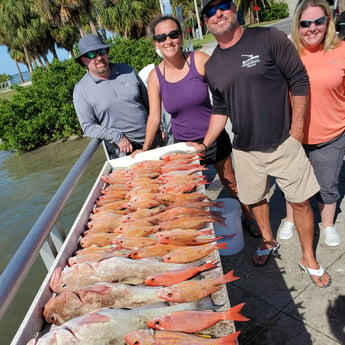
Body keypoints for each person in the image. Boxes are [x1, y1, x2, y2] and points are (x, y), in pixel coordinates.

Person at [189, 0, 332, 287]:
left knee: (301, 202)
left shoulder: (267, 37)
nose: (218, 14)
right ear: (205, 22)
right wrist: (204, 144)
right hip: (244, 149)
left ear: (233, 10)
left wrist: (297, 129)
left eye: (223, 6)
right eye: (210, 12)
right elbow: (220, 108)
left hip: (284, 142)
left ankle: (308, 257)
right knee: (254, 200)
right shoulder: (213, 64)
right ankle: (267, 241)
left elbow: (298, 79)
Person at [134, 15, 261, 237]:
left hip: (213, 136)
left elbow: (226, 93)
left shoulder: (199, 60)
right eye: (161, 37)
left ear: (181, 36)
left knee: (231, 182)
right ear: (155, 43)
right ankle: (198, 234)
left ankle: (249, 217)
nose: (168, 41)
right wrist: (145, 150)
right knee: (188, 193)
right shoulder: (156, 76)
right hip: (185, 148)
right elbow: (154, 117)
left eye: (173, 34)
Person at [280, 0, 345, 246]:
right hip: (293, 135)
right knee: (292, 183)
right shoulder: (289, 53)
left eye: (318, 21)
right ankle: (290, 219)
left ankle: (327, 224)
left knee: (327, 185)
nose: (312, 28)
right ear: (297, 25)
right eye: (305, 23)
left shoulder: (341, 51)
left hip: (332, 134)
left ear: (328, 21)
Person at [73, 34, 152, 159]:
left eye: (101, 51)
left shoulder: (128, 70)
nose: (99, 57)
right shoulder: (80, 90)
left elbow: (149, 102)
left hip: (153, 142)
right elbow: (88, 126)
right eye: (92, 54)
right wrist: (117, 136)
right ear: (83, 60)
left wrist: (161, 127)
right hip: (125, 153)